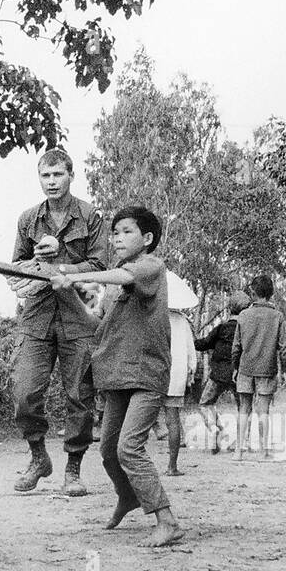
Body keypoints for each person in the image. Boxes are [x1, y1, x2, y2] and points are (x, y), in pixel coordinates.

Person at [50, 205, 184, 547]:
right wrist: (68, 292)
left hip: (146, 374)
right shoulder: (114, 285)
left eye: (127, 231)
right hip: (117, 376)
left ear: (147, 238)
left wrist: (76, 275)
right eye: (115, 232)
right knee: (109, 450)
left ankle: (166, 520)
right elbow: (99, 323)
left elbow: (123, 276)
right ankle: (128, 497)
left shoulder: (151, 266)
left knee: (129, 448)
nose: (118, 237)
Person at [5, 149, 110, 495]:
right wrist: (33, 263)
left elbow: (99, 268)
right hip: (37, 315)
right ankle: (38, 457)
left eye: (57, 175)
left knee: (79, 394)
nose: (51, 182)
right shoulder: (28, 219)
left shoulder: (90, 216)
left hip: (79, 315)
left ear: (70, 175)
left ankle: (74, 469)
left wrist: (61, 266)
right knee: (24, 392)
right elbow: (16, 269)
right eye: (45, 176)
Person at [230, 275, 286, 462]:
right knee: (263, 410)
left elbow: (236, 347)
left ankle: (238, 452)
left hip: (245, 368)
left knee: (244, 410)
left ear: (253, 292)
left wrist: (235, 367)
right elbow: (284, 348)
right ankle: (264, 452)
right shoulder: (277, 316)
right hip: (267, 369)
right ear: (271, 293)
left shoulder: (243, 316)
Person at [192, 291, 251, 453]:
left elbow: (203, 344)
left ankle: (214, 428)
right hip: (240, 374)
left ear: (230, 308)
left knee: (205, 403)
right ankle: (242, 442)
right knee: (244, 408)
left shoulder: (221, 328)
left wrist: (191, 339)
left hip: (218, 374)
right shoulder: (247, 329)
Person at [161, 308, 197, 476]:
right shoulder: (182, 320)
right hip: (175, 375)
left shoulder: (152, 313)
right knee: (172, 419)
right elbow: (191, 352)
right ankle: (171, 467)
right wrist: (191, 372)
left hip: (151, 372)